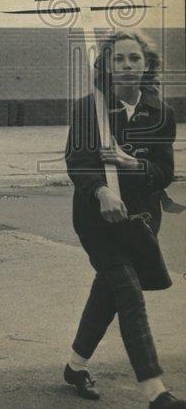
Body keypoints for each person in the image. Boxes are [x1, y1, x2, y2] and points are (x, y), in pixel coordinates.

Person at [63, 31, 181, 409]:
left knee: (110, 292)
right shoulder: (88, 108)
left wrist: (136, 166)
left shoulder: (161, 112)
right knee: (129, 294)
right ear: (107, 66)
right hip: (98, 221)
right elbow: (78, 164)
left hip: (141, 220)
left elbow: (165, 171)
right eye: (119, 59)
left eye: (135, 59)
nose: (128, 66)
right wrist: (102, 191)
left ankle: (75, 366)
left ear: (147, 65)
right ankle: (154, 391)